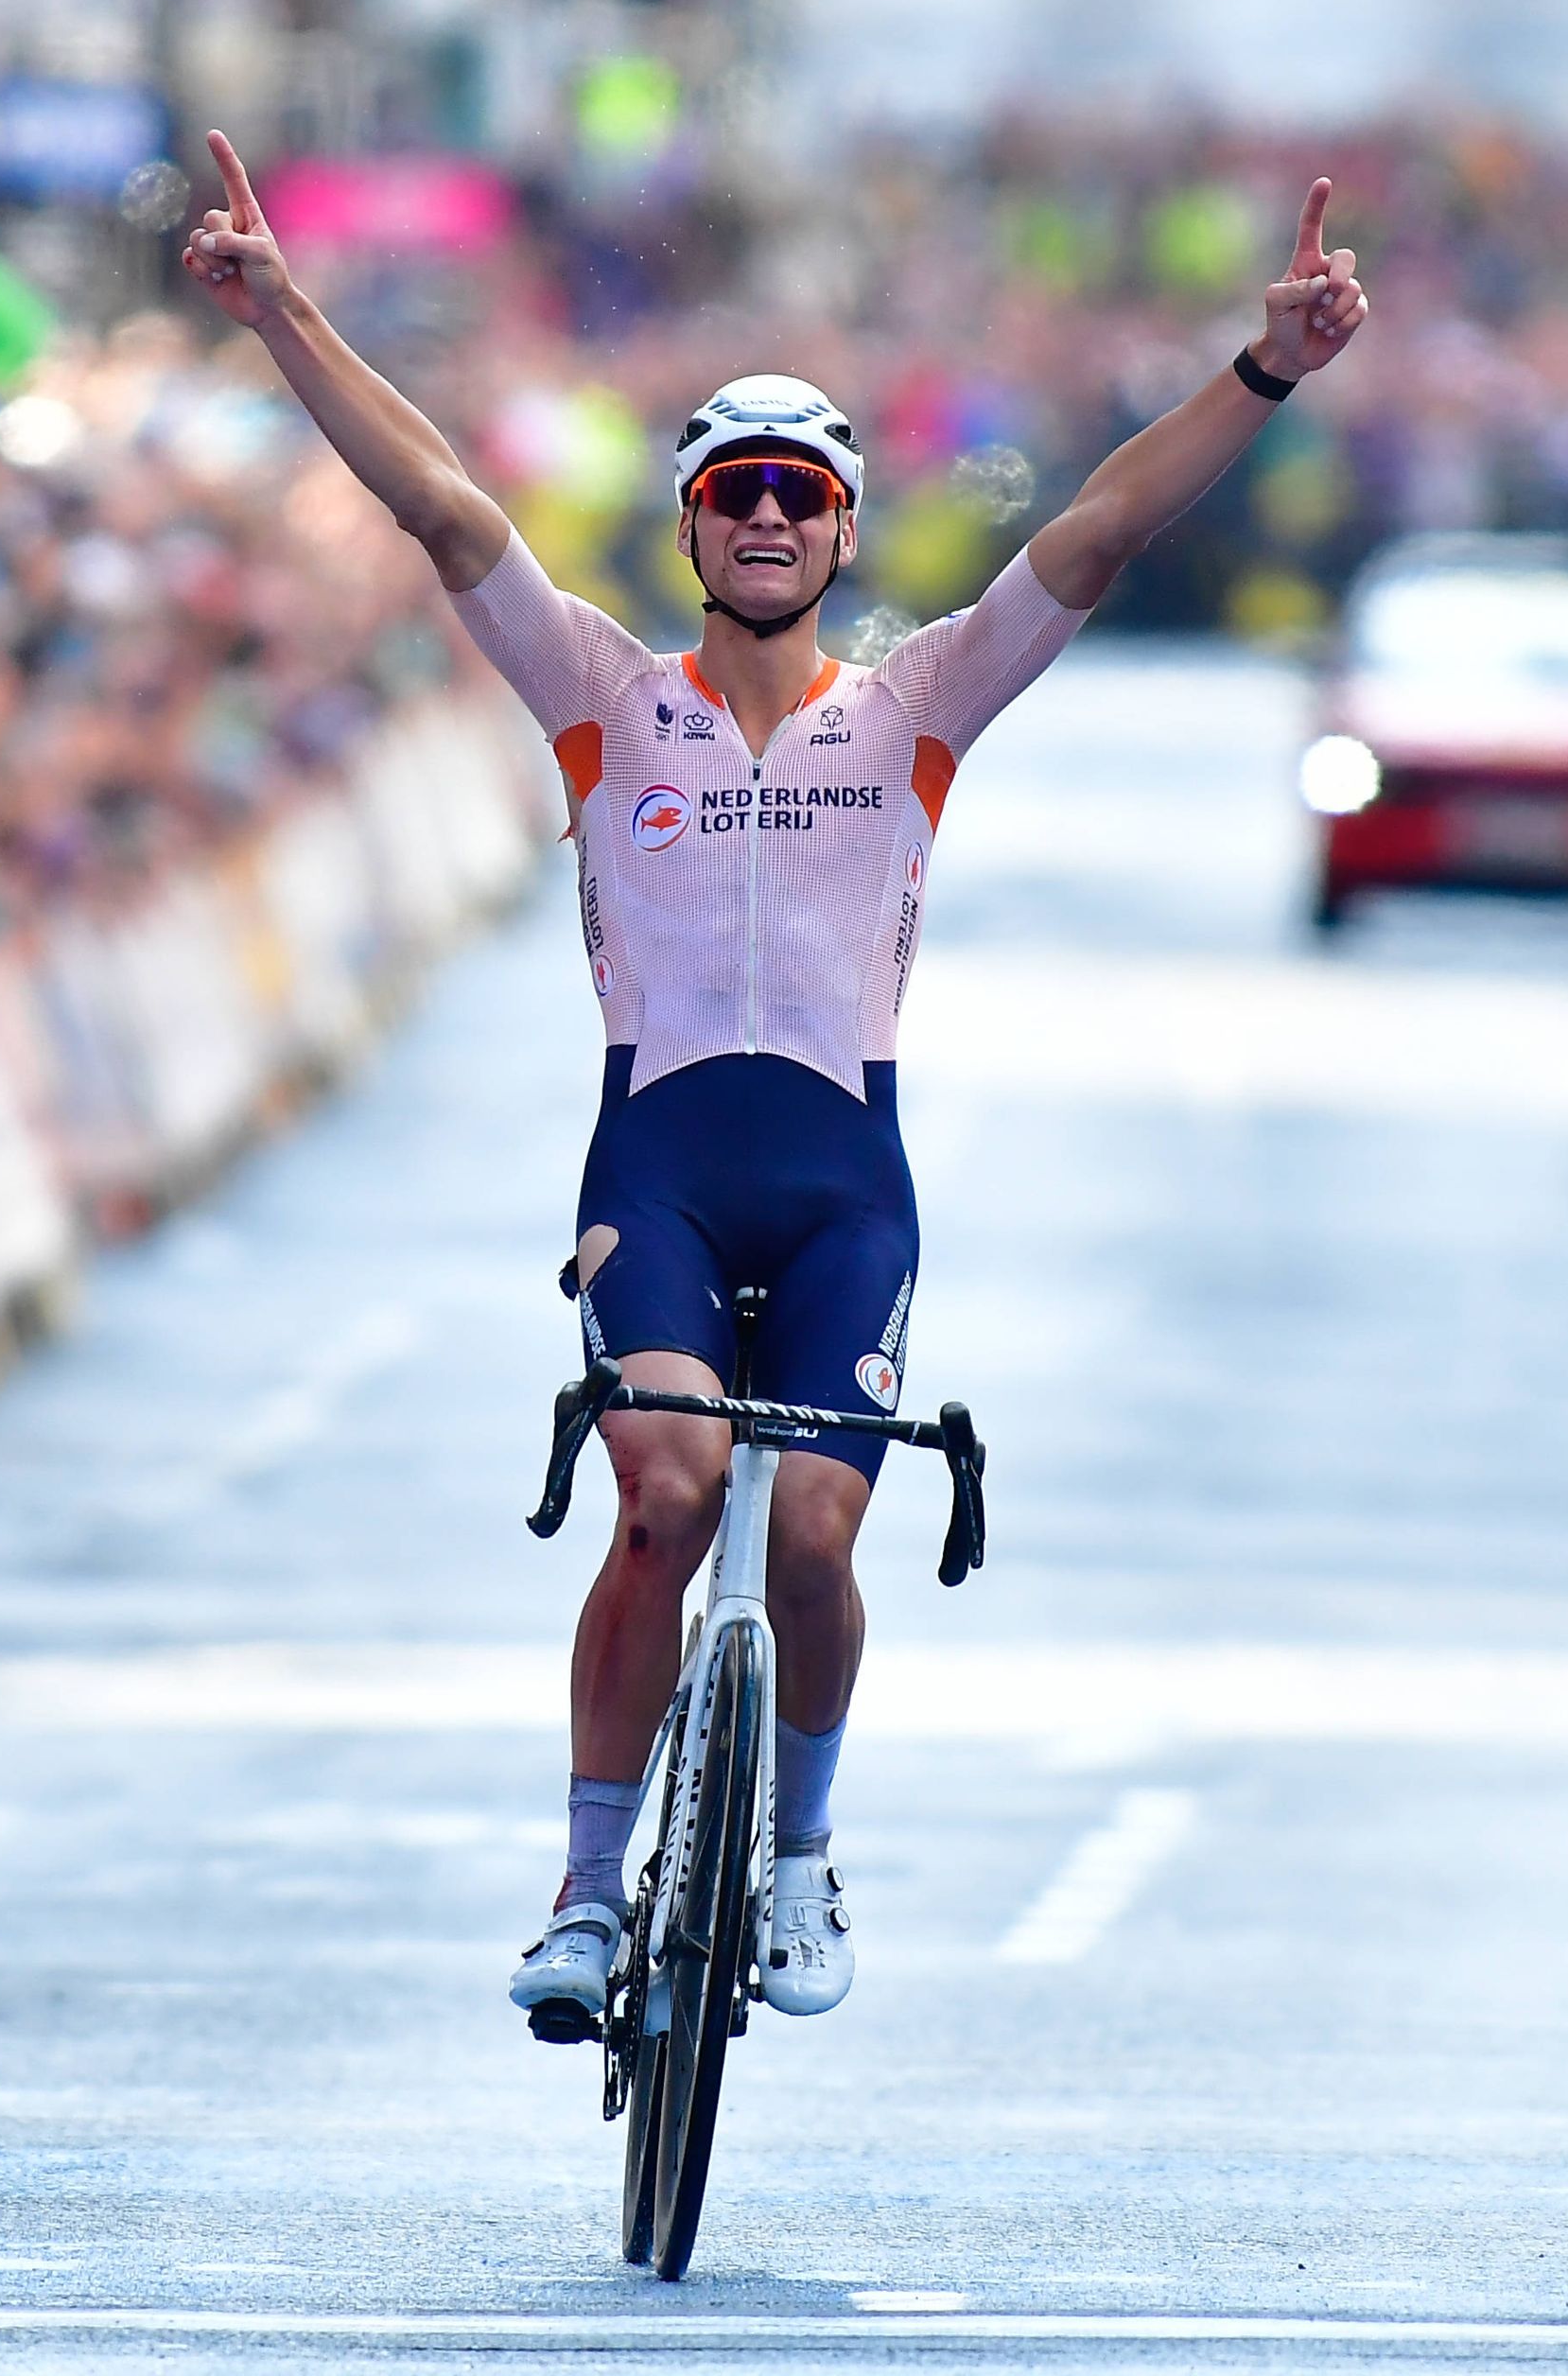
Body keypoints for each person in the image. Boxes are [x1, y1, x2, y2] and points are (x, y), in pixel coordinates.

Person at [181, 127, 1368, 2037]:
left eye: (797, 494)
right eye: (731, 490)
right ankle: (583, 1886)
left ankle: (800, 1855)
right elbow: (444, 507)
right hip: (652, 1168)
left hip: (843, 1184)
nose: (762, 519)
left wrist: (1269, 372)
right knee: (663, 1489)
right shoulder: (597, 691)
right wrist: (284, 313)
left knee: (812, 1528)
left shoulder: (913, 710)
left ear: (836, 527)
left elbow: (1098, 533)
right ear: (690, 523)